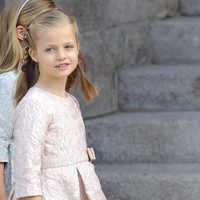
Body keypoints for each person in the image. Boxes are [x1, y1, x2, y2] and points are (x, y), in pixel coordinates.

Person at [11, 9, 106, 200]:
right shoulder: (35, 104)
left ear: (77, 49)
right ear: (34, 54)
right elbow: (26, 171)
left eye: (68, 46)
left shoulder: (70, 101)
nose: (61, 55)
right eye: (50, 49)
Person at [0, 0, 56, 199]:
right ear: (22, 34)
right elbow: (1, 140)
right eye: (48, 26)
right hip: (27, 190)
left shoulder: (49, 78)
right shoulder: (8, 83)